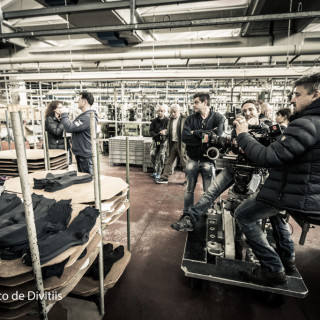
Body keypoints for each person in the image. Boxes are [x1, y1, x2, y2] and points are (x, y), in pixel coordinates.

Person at [232, 72, 320, 286]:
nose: (291, 99)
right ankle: (288, 258)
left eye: (297, 95)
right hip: (306, 192)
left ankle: (273, 268)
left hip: (293, 194)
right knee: (276, 215)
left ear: (316, 95)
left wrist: (242, 134)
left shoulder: (307, 123)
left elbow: (267, 157)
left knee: (243, 214)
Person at [171, 99, 267, 232]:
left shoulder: (266, 130)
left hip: (254, 171)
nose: (247, 113)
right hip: (234, 167)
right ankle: (189, 219)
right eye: (244, 111)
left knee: (251, 202)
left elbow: (264, 153)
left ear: (259, 111)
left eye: (251, 110)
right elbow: (234, 148)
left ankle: (251, 232)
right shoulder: (237, 129)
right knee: (210, 193)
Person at [170, 93, 225, 229]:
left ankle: (208, 213)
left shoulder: (219, 118)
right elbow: (185, 137)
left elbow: (217, 138)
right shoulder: (190, 119)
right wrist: (205, 134)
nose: (193, 105)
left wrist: (196, 132)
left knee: (209, 191)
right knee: (189, 190)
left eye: (195, 102)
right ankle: (186, 214)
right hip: (192, 159)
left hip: (208, 161)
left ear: (204, 103)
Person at [60, 91, 97, 175]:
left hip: (85, 155)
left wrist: (64, 114)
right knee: (83, 178)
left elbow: (69, 128)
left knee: (87, 180)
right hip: (82, 153)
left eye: (79, 99)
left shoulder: (86, 118)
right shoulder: (84, 116)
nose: (77, 101)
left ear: (84, 102)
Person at [156, 104, 187, 184]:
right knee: (169, 161)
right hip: (173, 144)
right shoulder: (170, 120)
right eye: (171, 112)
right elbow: (170, 131)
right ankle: (164, 178)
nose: (172, 114)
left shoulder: (184, 119)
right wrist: (165, 132)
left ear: (179, 111)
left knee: (184, 163)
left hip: (181, 144)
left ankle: (189, 180)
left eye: (174, 112)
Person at [149, 105, 169, 180]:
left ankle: (158, 172)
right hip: (155, 140)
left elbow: (170, 131)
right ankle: (155, 170)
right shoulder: (154, 121)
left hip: (163, 141)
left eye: (161, 111)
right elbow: (150, 131)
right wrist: (156, 135)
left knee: (161, 155)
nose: (160, 112)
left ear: (164, 111)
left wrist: (165, 132)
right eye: (158, 111)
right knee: (152, 154)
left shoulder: (167, 121)